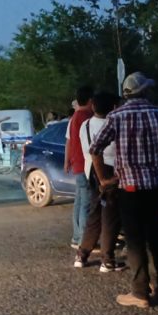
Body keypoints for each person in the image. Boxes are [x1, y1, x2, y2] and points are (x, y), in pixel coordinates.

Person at [90, 72, 158, 309]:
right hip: (157, 187)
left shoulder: (116, 116)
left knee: (135, 239)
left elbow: (95, 149)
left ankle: (140, 292)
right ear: (145, 91)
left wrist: (103, 179)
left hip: (129, 188)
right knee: (155, 235)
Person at [75, 92, 125, 273]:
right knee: (111, 217)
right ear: (113, 107)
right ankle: (107, 260)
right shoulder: (113, 126)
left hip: (91, 172)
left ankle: (82, 254)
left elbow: (86, 149)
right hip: (109, 172)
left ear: (94, 106)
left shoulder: (85, 125)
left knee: (95, 214)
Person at [65, 86, 94, 249]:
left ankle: (77, 237)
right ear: (90, 100)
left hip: (77, 164)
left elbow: (69, 141)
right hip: (85, 165)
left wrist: (68, 161)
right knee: (86, 205)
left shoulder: (74, 117)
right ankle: (84, 240)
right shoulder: (86, 117)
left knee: (79, 202)